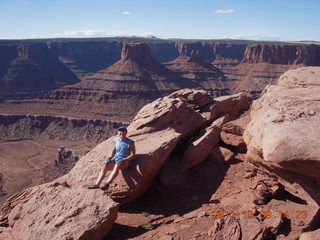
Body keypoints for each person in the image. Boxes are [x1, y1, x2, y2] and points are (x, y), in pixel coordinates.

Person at [88, 125, 136, 190]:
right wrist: (110, 157)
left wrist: (124, 160)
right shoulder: (116, 140)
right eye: (120, 131)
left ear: (126, 132)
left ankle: (107, 184)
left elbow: (133, 155)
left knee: (117, 165)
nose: (121, 133)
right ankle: (97, 184)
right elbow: (114, 150)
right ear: (118, 132)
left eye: (123, 131)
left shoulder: (130, 142)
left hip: (125, 162)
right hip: (116, 159)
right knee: (105, 166)